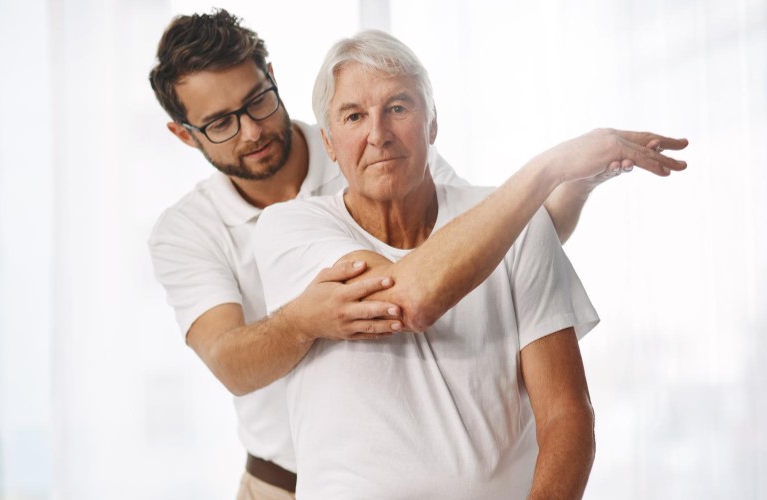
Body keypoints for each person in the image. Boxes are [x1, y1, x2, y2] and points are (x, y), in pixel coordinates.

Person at [147, 9, 686, 499]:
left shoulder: (390, 149)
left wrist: (574, 185)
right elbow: (237, 360)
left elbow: (495, 237)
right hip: (283, 477)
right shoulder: (224, 228)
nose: (252, 129)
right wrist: (299, 321)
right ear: (185, 135)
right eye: (221, 122)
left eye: (258, 101)